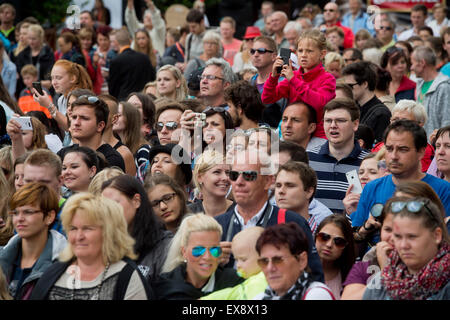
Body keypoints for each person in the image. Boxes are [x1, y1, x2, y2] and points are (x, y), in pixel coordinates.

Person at [215, 150, 324, 282]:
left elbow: (314, 277)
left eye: (249, 175)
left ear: (268, 181)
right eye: (234, 175)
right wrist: (211, 263)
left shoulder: (292, 222)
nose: (239, 182)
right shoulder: (216, 226)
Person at [30, 192, 153, 300]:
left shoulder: (127, 277)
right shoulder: (52, 274)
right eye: (73, 228)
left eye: (87, 228)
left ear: (108, 232)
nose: (79, 236)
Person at [350, 120, 450, 228]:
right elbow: (355, 241)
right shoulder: (372, 188)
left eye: (402, 149)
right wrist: (364, 231)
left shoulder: (443, 190)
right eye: (389, 149)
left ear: (421, 152)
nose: (393, 156)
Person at [363, 196, 449, 300]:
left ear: (436, 235)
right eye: (398, 236)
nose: (403, 245)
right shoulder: (380, 282)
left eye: (412, 237)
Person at [261, 29, 336, 138]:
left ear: (322, 53)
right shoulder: (294, 76)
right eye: (300, 51)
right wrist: (273, 77)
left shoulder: (328, 78)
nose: (304, 55)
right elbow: (267, 98)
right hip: (292, 133)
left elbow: (319, 104)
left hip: (318, 135)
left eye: (309, 51)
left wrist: (293, 80)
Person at [152, 213, 243, 299]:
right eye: (198, 250)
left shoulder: (235, 283)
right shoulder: (164, 287)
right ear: (184, 251)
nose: (207, 257)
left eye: (214, 250)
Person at [0, 182, 67, 300]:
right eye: (15, 213)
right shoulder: (3, 256)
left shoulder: (65, 266)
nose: (19, 219)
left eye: (28, 212)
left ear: (49, 217)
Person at [101, 175, 173, 281]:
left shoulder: (165, 245)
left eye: (114, 204)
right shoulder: (103, 247)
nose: (109, 211)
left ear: (136, 201)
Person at [308, 98, 369, 213]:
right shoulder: (308, 158)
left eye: (340, 120)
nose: (333, 125)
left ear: (355, 124)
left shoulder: (370, 162)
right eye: (328, 121)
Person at [253, 222, 334, 300]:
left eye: (278, 260)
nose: (270, 268)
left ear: (302, 261)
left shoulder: (317, 295)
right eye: (264, 261)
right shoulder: (259, 298)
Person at [341, 196, 395, 300]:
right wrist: (384, 273)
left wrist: (387, 272)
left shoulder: (425, 268)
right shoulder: (367, 263)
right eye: (388, 229)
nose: (393, 237)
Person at [57, 95, 125, 172]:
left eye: (84, 118)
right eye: (74, 117)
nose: (76, 123)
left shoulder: (111, 159)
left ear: (100, 126)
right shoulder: (63, 153)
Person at [200, 226, 267, 300]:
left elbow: (232, 293)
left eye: (243, 259)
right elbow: (234, 292)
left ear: (264, 257)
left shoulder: (264, 279)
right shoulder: (250, 282)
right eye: (236, 260)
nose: (238, 265)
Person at [372, 99, 435, 172]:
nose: (398, 125)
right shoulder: (379, 147)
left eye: (405, 121)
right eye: (395, 120)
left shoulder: (424, 150)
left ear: (419, 125)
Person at [32, 59, 93, 133]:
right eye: (52, 78)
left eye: (58, 78)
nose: (54, 82)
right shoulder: (61, 99)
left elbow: (73, 128)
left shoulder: (80, 98)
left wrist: (49, 106)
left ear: (72, 78)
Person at [275, 161, 332, 234]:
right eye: (278, 186)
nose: (281, 191)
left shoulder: (324, 234)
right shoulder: (264, 228)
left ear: (309, 191)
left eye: (290, 186)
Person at [342, 61, 391, 144]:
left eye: (350, 86)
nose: (347, 90)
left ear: (365, 84)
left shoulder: (382, 114)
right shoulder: (353, 108)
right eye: (346, 86)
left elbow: (379, 148)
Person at [411, 46, 450, 138]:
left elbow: (447, 120)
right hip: (423, 145)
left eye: (412, 63)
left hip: (438, 147)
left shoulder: (444, 87)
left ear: (422, 63)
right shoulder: (420, 85)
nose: (411, 67)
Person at [314, 214, 356, 299]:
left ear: (346, 246)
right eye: (324, 237)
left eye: (338, 241)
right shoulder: (298, 270)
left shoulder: (353, 278)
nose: (329, 245)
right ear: (315, 237)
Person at [108, 29, 155, 101]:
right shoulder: (144, 57)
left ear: (117, 42)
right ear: (130, 41)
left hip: (125, 101)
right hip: (143, 99)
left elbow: (113, 88)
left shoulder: (116, 61)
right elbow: (152, 78)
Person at [98, 94, 136, 176]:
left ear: (114, 119)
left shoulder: (123, 154)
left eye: (102, 113)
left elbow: (129, 186)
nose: (97, 116)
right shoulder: (85, 145)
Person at [15, 24, 54, 97]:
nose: (31, 41)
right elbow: (20, 76)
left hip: (45, 92)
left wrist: (35, 83)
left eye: (34, 39)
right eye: (29, 38)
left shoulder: (48, 53)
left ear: (40, 38)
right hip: (26, 92)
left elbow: (49, 79)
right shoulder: (22, 55)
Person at [189, 149, 233, 216]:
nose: (225, 178)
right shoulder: (188, 214)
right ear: (200, 177)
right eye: (217, 172)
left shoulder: (241, 212)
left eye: (227, 173)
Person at [343, 152, 387, 217]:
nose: (363, 176)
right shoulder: (355, 204)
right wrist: (353, 212)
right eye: (361, 172)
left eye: (372, 172)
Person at [112, 101, 149, 169]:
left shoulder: (143, 150)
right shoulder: (114, 148)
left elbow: (145, 177)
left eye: (118, 115)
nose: (114, 118)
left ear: (130, 119)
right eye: (113, 115)